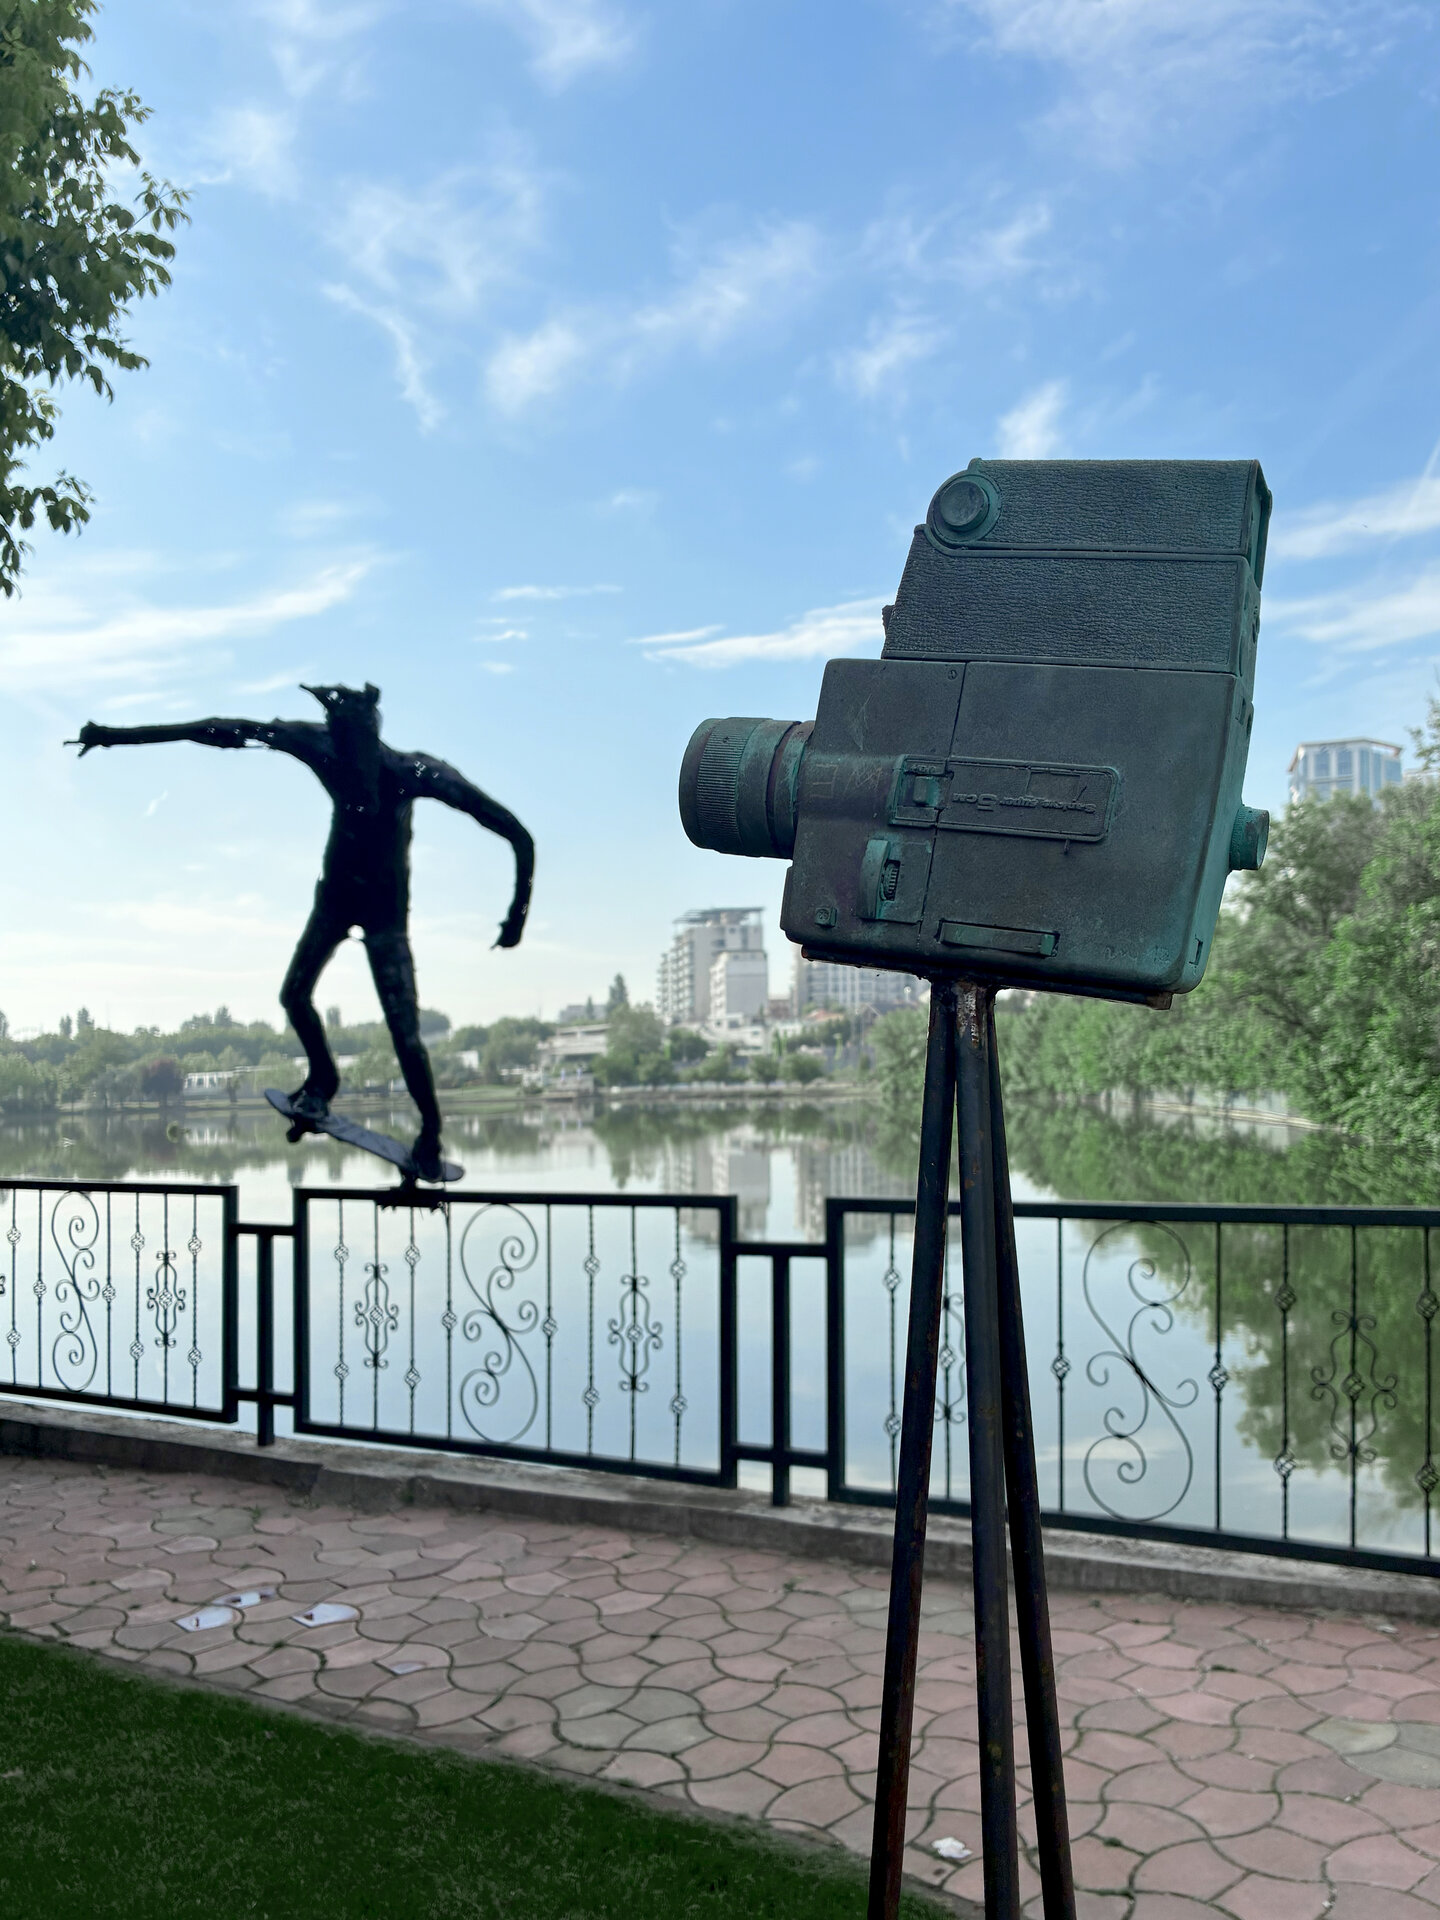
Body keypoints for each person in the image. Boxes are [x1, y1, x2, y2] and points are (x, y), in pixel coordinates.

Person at [72, 683, 533, 1180]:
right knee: (293, 996)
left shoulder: (414, 773)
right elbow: (221, 730)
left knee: (404, 1034)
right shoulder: (322, 747)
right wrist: (114, 736)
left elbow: (515, 832)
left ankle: (431, 1134)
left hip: (384, 913)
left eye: (357, 761)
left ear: (370, 743)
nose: (352, 774)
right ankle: (323, 1080)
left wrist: (517, 915)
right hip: (334, 901)